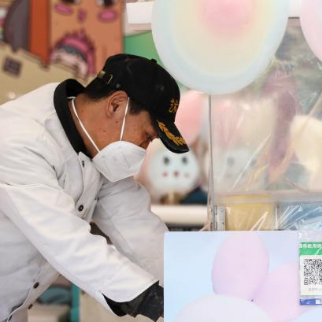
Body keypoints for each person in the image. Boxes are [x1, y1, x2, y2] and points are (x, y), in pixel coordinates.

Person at [0, 54, 189, 322]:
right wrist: (152, 301)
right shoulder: (20, 139)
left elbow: (138, 229)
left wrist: (190, 288)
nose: (145, 149)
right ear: (116, 104)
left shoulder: (99, 152)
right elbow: (67, 241)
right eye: (147, 137)